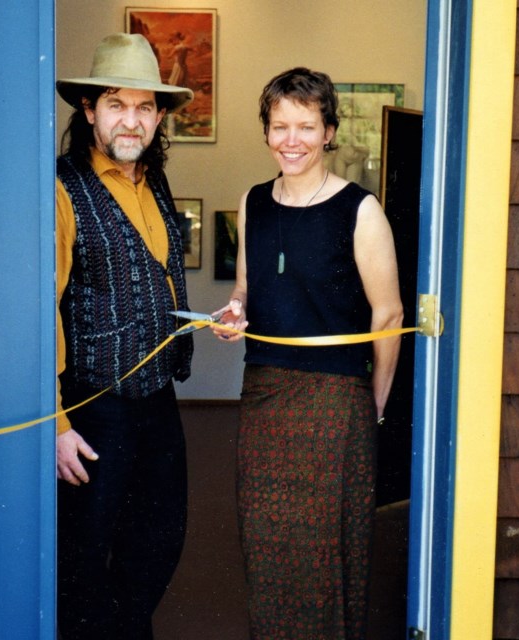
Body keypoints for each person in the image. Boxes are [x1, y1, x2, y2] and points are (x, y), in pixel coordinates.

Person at [213, 67, 404, 638]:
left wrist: (371, 405)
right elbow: (246, 287)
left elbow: (388, 315)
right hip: (265, 397)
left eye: (305, 126)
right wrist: (234, 313)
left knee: (323, 548)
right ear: (266, 131)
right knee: (267, 544)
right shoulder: (253, 202)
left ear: (328, 132)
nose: (290, 140)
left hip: (334, 402)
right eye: (279, 126)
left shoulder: (360, 210)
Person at [53, 33, 195, 639]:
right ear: (89, 111)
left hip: (156, 399)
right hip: (92, 408)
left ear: (159, 116)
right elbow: (40, 315)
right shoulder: (61, 189)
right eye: (116, 104)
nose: (130, 120)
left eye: (144, 107)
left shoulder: (153, 182)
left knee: (159, 540)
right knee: (83, 561)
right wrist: (57, 425)